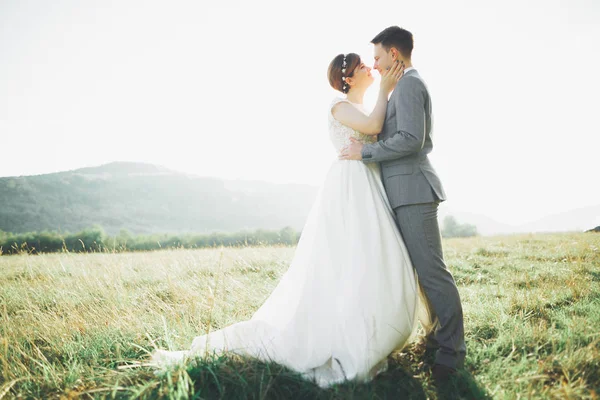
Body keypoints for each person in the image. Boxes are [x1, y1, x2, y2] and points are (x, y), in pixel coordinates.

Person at [149, 52, 433, 388]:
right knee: (352, 253)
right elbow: (372, 126)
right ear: (347, 79)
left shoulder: (363, 106)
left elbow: (378, 130)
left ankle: (374, 322)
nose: (369, 68)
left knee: (374, 256)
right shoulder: (338, 105)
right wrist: (385, 88)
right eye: (361, 66)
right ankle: (345, 334)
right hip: (350, 184)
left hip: (370, 182)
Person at [339, 26, 466, 381]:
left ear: (394, 54)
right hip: (400, 193)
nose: (375, 64)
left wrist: (365, 151)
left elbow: (411, 139)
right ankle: (436, 339)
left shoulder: (410, 84)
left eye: (377, 57)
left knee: (433, 273)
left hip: (413, 190)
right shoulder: (401, 86)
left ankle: (452, 352)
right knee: (423, 274)